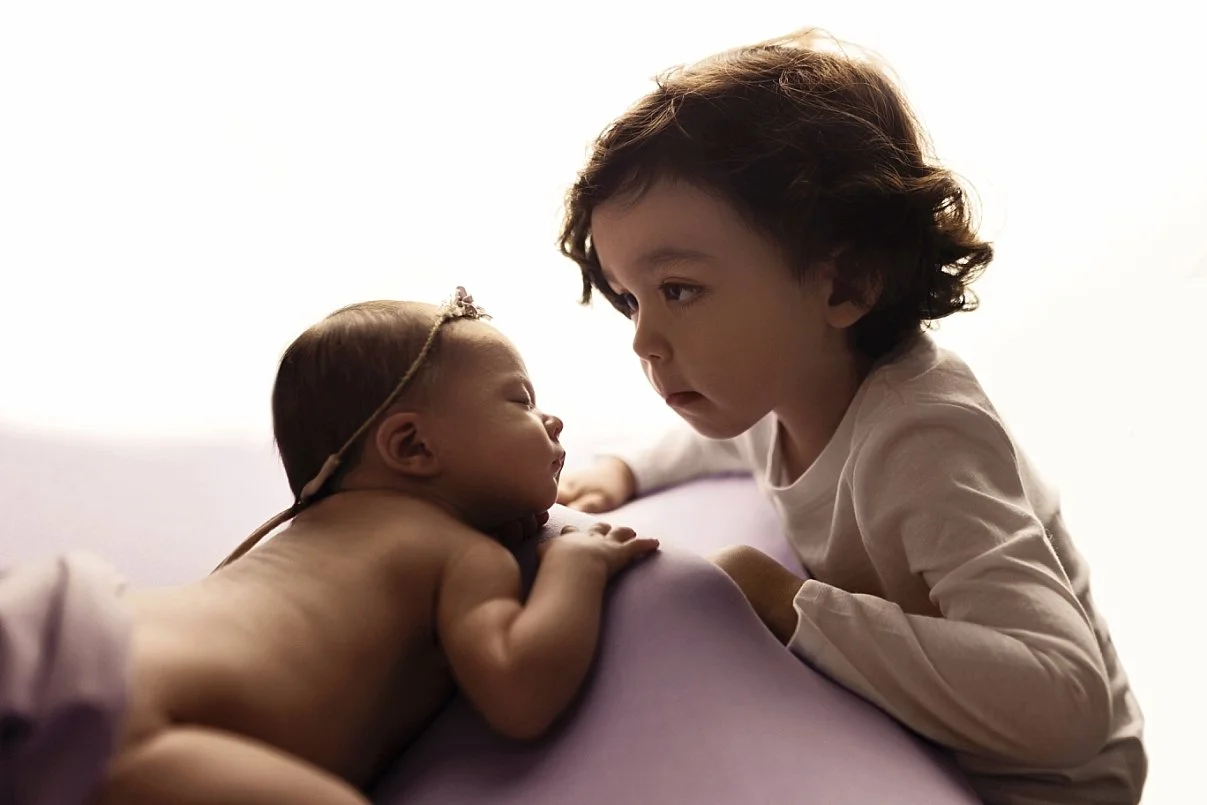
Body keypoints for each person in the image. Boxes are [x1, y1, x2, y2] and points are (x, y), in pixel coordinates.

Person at [555, 29, 1145, 805]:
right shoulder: (784, 389)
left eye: (679, 290)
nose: (643, 339)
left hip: (1043, 786)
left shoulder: (923, 440)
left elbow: (1065, 699)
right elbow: (728, 448)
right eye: (630, 299)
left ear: (845, 285)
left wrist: (787, 601)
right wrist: (624, 470)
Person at [90, 289, 659, 804]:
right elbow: (521, 692)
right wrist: (574, 565)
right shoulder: (459, 553)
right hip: (146, 723)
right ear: (412, 445)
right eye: (521, 402)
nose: (552, 420)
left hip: (83, 639)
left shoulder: (305, 537)